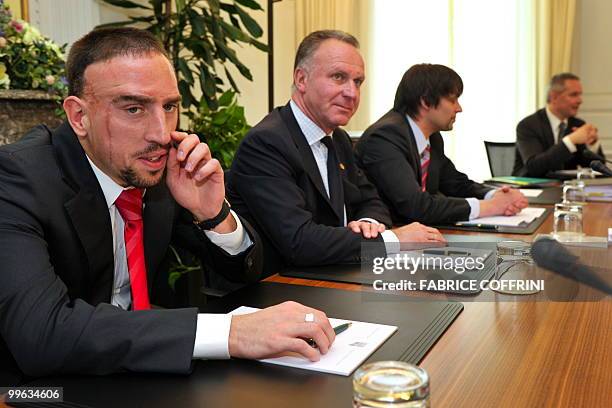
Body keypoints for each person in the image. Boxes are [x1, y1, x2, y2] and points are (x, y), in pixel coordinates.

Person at [0, 27, 336, 386]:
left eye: (170, 107)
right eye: (133, 108)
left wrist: (214, 215)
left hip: (137, 373)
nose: (161, 133)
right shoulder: (17, 178)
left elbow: (245, 272)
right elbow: (41, 334)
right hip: (33, 389)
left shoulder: (158, 170)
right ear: (79, 116)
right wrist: (232, 333)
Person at [226, 30, 445, 277]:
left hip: (340, 274)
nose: (352, 93)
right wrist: (392, 239)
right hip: (284, 292)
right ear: (301, 79)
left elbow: (370, 200)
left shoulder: (337, 137)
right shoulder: (267, 143)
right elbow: (300, 242)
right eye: (339, 77)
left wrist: (369, 225)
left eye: (358, 82)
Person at [355, 64, 528, 225]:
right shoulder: (385, 137)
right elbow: (416, 205)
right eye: (453, 100)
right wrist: (492, 207)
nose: (459, 108)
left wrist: (495, 194)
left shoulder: (433, 137)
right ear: (425, 101)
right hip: (388, 238)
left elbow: (455, 183)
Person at [513, 72, 605, 177]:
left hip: (567, 189)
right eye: (574, 95)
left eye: (580, 95)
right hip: (530, 189)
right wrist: (571, 141)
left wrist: (592, 145)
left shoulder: (577, 124)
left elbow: (598, 168)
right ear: (554, 97)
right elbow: (534, 166)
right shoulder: (528, 125)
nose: (580, 100)